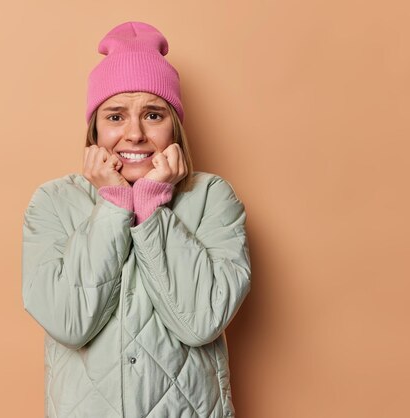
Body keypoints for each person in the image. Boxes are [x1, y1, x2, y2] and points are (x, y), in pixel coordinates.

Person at [22, 21, 251, 418]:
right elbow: (69, 323)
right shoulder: (53, 203)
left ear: (174, 126)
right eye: (115, 116)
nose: (135, 134)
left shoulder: (213, 198)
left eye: (152, 115)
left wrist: (153, 207)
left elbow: (200, 322)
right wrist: (113, 206)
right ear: (94, 129)